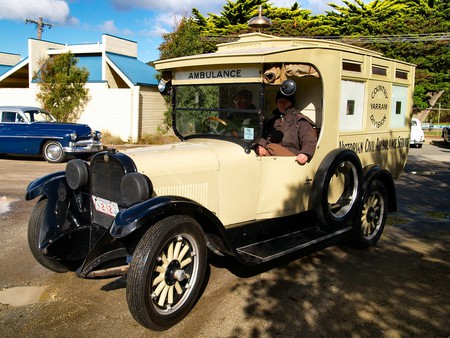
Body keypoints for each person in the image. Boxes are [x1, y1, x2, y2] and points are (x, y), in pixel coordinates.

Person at [256, 90, 317, 165]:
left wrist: (305, 154)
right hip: (271, 158)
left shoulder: (300, 121)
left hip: (290, 158)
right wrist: (260, 146)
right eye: (279, 102)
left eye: (285, 101)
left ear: (291, 102)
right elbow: (264, 136)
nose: (282, 104)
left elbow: (309, 140)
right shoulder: (273, 121)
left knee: (272, 147)